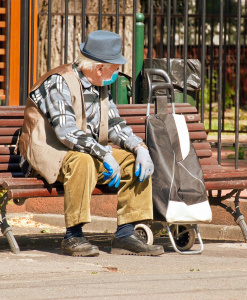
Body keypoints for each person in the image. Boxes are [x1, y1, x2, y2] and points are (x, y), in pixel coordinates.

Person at [19, 30, 164, 257]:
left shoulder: (99, 85)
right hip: (49, 153)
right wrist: (102, 154)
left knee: (133, 162)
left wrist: (139, 148)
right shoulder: (59, 82)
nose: (117, 73)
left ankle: (126, 234)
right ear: (100, 67)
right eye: (115, 68)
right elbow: (66, 132)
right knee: (83, 161)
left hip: (85, 152)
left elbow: (115, 125)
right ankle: (73, 236)